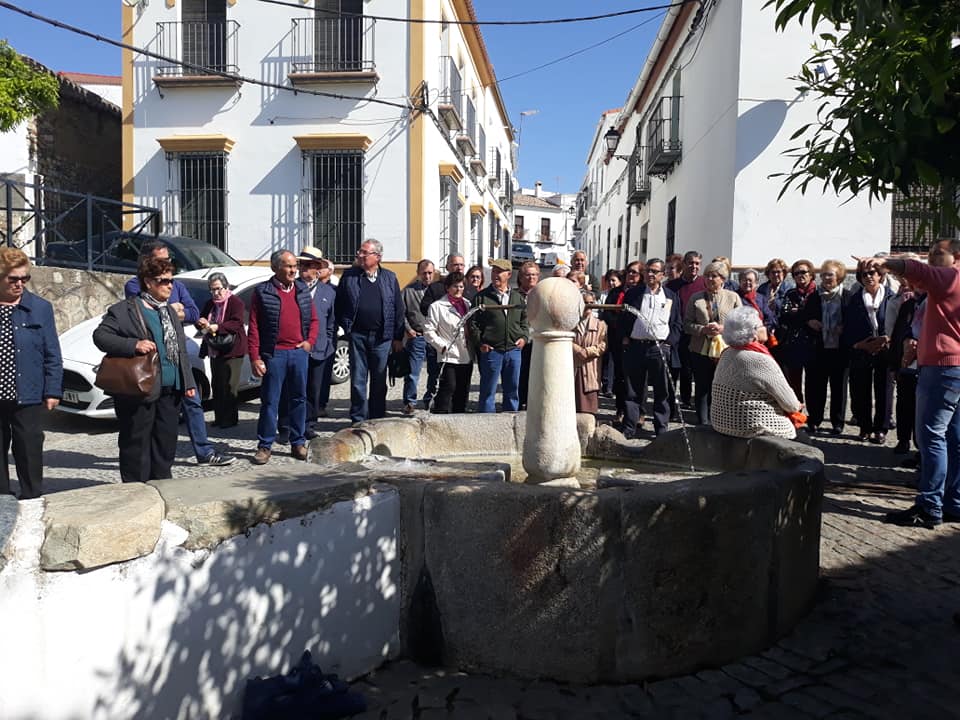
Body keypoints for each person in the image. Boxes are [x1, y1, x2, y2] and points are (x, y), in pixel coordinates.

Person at [869, 240, 960, 529]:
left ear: (956, 256)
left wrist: (885, 262)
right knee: (954, 438)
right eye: (929, 253)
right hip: (953, 368)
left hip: (942, 368)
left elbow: (917, 271)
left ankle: (929, 506)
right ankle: (953, 503)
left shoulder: (950, 277)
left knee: (931, 436)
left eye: (937, 254)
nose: (931, 259)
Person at [124, 241, 232, 466]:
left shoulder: (178, 285)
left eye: (168, 260)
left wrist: (171, 310)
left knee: (193, 402)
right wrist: (173, 309)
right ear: (147, 262)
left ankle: (204, 452)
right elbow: (141, 312)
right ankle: (153, 460)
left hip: (178, 356)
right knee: (155, 411)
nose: (167, 264)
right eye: (161, 260)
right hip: (153, 359)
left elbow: (193, 312)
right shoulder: (134, 285)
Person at [94, 256, 197, 483]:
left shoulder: (169, 311)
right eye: (164, 281)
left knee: (165, 443)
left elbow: (180, 347)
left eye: (172, 280)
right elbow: (100, 336)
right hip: (140, 389)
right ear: (148, 282)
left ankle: (162, 486)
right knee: (136, 444)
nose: (170, 286)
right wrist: (133, 345)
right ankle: (136, 490)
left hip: (170, 389)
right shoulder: (125, 310)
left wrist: (188, 382)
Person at [0, 248, 62, 500]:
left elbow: (52, 352)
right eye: (13, 279)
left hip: (28, 392)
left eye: (24, 278)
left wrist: (53, 390)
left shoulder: (40, 308)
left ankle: (31, 496)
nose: (19, 284)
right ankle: (2, 499)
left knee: (29, 447)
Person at [248, 250, 318, 464]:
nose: (293, 270)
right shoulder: (263, 292)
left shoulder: (302, 289)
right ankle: (265, 445)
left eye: (295, 266)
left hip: (298, 353)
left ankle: (298, 442)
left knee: (299, 399)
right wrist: (255, 357)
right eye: (288, 266)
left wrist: (309, 342)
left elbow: (314, 320)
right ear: (275, 268)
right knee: (270, 401)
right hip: (274, 354)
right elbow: (254, 326)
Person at [335, 239, 405, 424]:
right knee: (358, 381)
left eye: (364, 252)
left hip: (382, 338)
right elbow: (339, 304)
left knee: (379, 381)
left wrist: (398, 337)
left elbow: (398, 308)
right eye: (360, 251)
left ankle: (377, 419)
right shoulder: (349, 276)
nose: (360, 255)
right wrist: (346, 327)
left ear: (377, 257)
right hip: (358, 336)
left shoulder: (389, 277)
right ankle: (358, 420)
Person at [710, 306, 803, 439]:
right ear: (753, 333)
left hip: (722, 422)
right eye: (762, 325)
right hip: (752, 426)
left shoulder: (727, 353)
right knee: (805, 442)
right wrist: (798, 405)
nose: (765, 328)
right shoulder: (759, 360)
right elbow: (790, 404)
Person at [277, 248, 338, 439]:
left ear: (317, 268)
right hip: (294, 348)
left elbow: (331, 322)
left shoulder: (329, 292)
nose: (303, 268)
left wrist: (327, 344)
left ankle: (308, 425)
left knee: (313, 390)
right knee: (290, 390)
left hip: (319, 349)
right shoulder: (291, 287)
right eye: (301, 264)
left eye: (308, 265)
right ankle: (286, 426)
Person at [620, 258, 682, 437]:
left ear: (663, 274)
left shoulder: (671, 296)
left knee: (661, 391)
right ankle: (629, 427)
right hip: (636, 347)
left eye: (654, 271)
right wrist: (625, 337)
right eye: (648, 270)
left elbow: (677, 322)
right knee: (633, 390)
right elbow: (624, 317)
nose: (650, 274)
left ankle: (661, 428)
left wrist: (669, 343)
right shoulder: (634, 293)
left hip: (659, 348)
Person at [684, 261, 742, 425]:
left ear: (722, 278)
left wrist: (723, 328)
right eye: (707, 275)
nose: (709, 279)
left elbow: (740, 323)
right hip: (700, 349)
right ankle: (703, 422)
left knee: (722, 386)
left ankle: (720, 421)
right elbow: (686, 324)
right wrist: (703, 329)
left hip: (725, 350)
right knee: (702, 387)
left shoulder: (733, 297)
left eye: (714, 276)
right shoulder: (696, 298)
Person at [842, 259, 890, 443]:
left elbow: (898, 323)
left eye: (872, 273)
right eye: (864, 274)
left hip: (885, 349)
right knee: (860, 389)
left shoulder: (890, 296)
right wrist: (858, 344)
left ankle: (881, 428)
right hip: (861, 349)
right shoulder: (854, 299)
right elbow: (847, 326)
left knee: (884, 390)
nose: (869, 277)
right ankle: (865, 426)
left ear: (880, 275)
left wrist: (887, 339)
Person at [471, 258, 528, 413]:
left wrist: (524, 338)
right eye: (494, 271)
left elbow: (525, 321)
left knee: (512, 390)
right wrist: (480, 343)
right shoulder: (482, 297)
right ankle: (487, 422)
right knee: (488, 391)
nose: (495, 274)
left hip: (513, 350)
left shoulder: (517, 298)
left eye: (499, 272)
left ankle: (511, 420)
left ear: (508, 274)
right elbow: (473, 323)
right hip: (492, 350)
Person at [420, 255, 474, 409]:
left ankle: (459, 417)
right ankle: (441, 417)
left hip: (465, 354)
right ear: (447, 287)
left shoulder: (468, 305)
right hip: (448, 354)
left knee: (462, 390)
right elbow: (428, 331)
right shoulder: (437, 306)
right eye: (455, 286)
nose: (459, 290)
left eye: (461, 287)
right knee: (448, 387)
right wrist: (441, 346)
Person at [195, 272, 247, 429]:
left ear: (226, 287)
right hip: (214, 348)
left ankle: (229, 419)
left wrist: (218, 327)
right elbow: (202, 321)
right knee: (217, 384)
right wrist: (201, 323)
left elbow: (237, 323)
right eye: (212, 289)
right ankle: (219, 417)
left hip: (232, 349)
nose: (215, 293)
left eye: (218, 289)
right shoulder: (210, 304)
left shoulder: (235, 302)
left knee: (229, 385)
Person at [804, 260, 849, 436]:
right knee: (816, 386)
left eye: (830, 274)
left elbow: (854, 319)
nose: (826, 278)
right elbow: (805, 317)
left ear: (839, 276)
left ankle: (838, 422)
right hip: (819, 347)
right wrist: (810, 322)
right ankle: (814, 420)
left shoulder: (847, 296)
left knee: (839, 387)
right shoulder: (814, 296)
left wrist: (845, 327)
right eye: (823, 275)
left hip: (839, 348)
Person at [666, 250, 705, 408]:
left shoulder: (704, 283)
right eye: (691, 263)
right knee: (674, 369)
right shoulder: (672, 285)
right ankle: (670, 406)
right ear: (684, 264)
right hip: (676, 334)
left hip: (696, 334)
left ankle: (688, 401)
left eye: (697, 263)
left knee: (691, 370)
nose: (694, 266)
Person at [777, 259, 818, 402]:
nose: (800, 275)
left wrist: (798, 312)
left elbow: (818, 316)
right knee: (794, 383)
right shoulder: (791, 294)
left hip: (814, 344)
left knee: (813, 383)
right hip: (794, 343)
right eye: (796, 273)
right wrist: (807, 318)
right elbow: (785, 314)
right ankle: (797, 409)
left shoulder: (818, 293)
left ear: (811, 274)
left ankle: (813, 413)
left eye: (803, 272)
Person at [400, 259, 436, 415]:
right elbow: (400, 313)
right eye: (424, 273)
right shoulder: (408, 291)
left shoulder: (439, 290)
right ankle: (410, 402)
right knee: (412, 373)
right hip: (417, 337)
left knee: (434, 372)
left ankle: (431, 400)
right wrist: (408, 330)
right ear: (418, 273)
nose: (427, 276)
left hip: (434, 338)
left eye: (430, 273)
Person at [573, 292, 607, 414]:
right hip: (574, 365)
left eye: (591, 302)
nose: (588, 305)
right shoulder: (571, 323)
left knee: (589, 400)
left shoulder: (600, 324)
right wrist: (577, 349)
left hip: (591, 367)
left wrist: (587, 351)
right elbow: (565, 340)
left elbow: (603, 345)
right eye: (585, 302)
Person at [516, 261, 540, 410]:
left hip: (538, 340)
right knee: (520, 373)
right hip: (521, 340)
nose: (531, 277)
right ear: (521, 277)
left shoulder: (542, 294)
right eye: (528, 275)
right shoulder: (514, 295)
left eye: (534, 274)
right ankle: (520, 402)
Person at [737, 269, 778, 336]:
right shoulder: (735, 297)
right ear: (739, 281)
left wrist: (765, 329)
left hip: (761, 334)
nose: (747, 282)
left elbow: (769, 317)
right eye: (745, 280)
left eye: (750, 280)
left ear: (756, 283)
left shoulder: (760, 298)